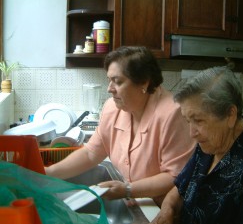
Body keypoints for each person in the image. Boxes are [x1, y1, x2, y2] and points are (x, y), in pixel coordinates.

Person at [45, 46, 195, 206]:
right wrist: (48, 173)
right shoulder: (112, 108)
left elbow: (175, 176)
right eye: (109, 80)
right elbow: (91, 154)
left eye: (117, 81)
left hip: (164, 209)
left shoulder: (173, 113)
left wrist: (128, 189)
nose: (109, 89)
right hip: (137, 201)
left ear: (143, 82)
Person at [150, 66, 243, 224]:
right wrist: (168, 210)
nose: (192, 133)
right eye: (188, 121)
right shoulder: (208, 143)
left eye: (198, 120)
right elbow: (179, 189)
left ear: (230, 114)